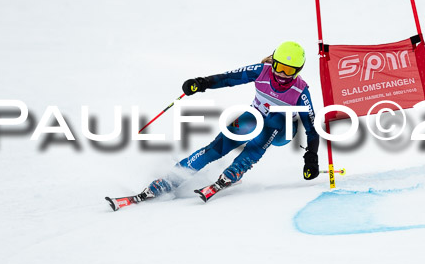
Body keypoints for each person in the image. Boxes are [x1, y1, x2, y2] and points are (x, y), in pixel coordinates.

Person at [106, 41, 320, 210]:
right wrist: (202, 83)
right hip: (256, 116)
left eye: (289, 70)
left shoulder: (301, 92)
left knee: (270, 124)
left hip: (282, 129)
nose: (282, 74)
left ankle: (236, 170)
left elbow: (311, 126)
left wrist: (311, 157)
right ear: (273, 62)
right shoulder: (262, 71)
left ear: (298, 70)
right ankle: (171, 179)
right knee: (221, 143)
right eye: (280, 67)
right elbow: (229, 78)